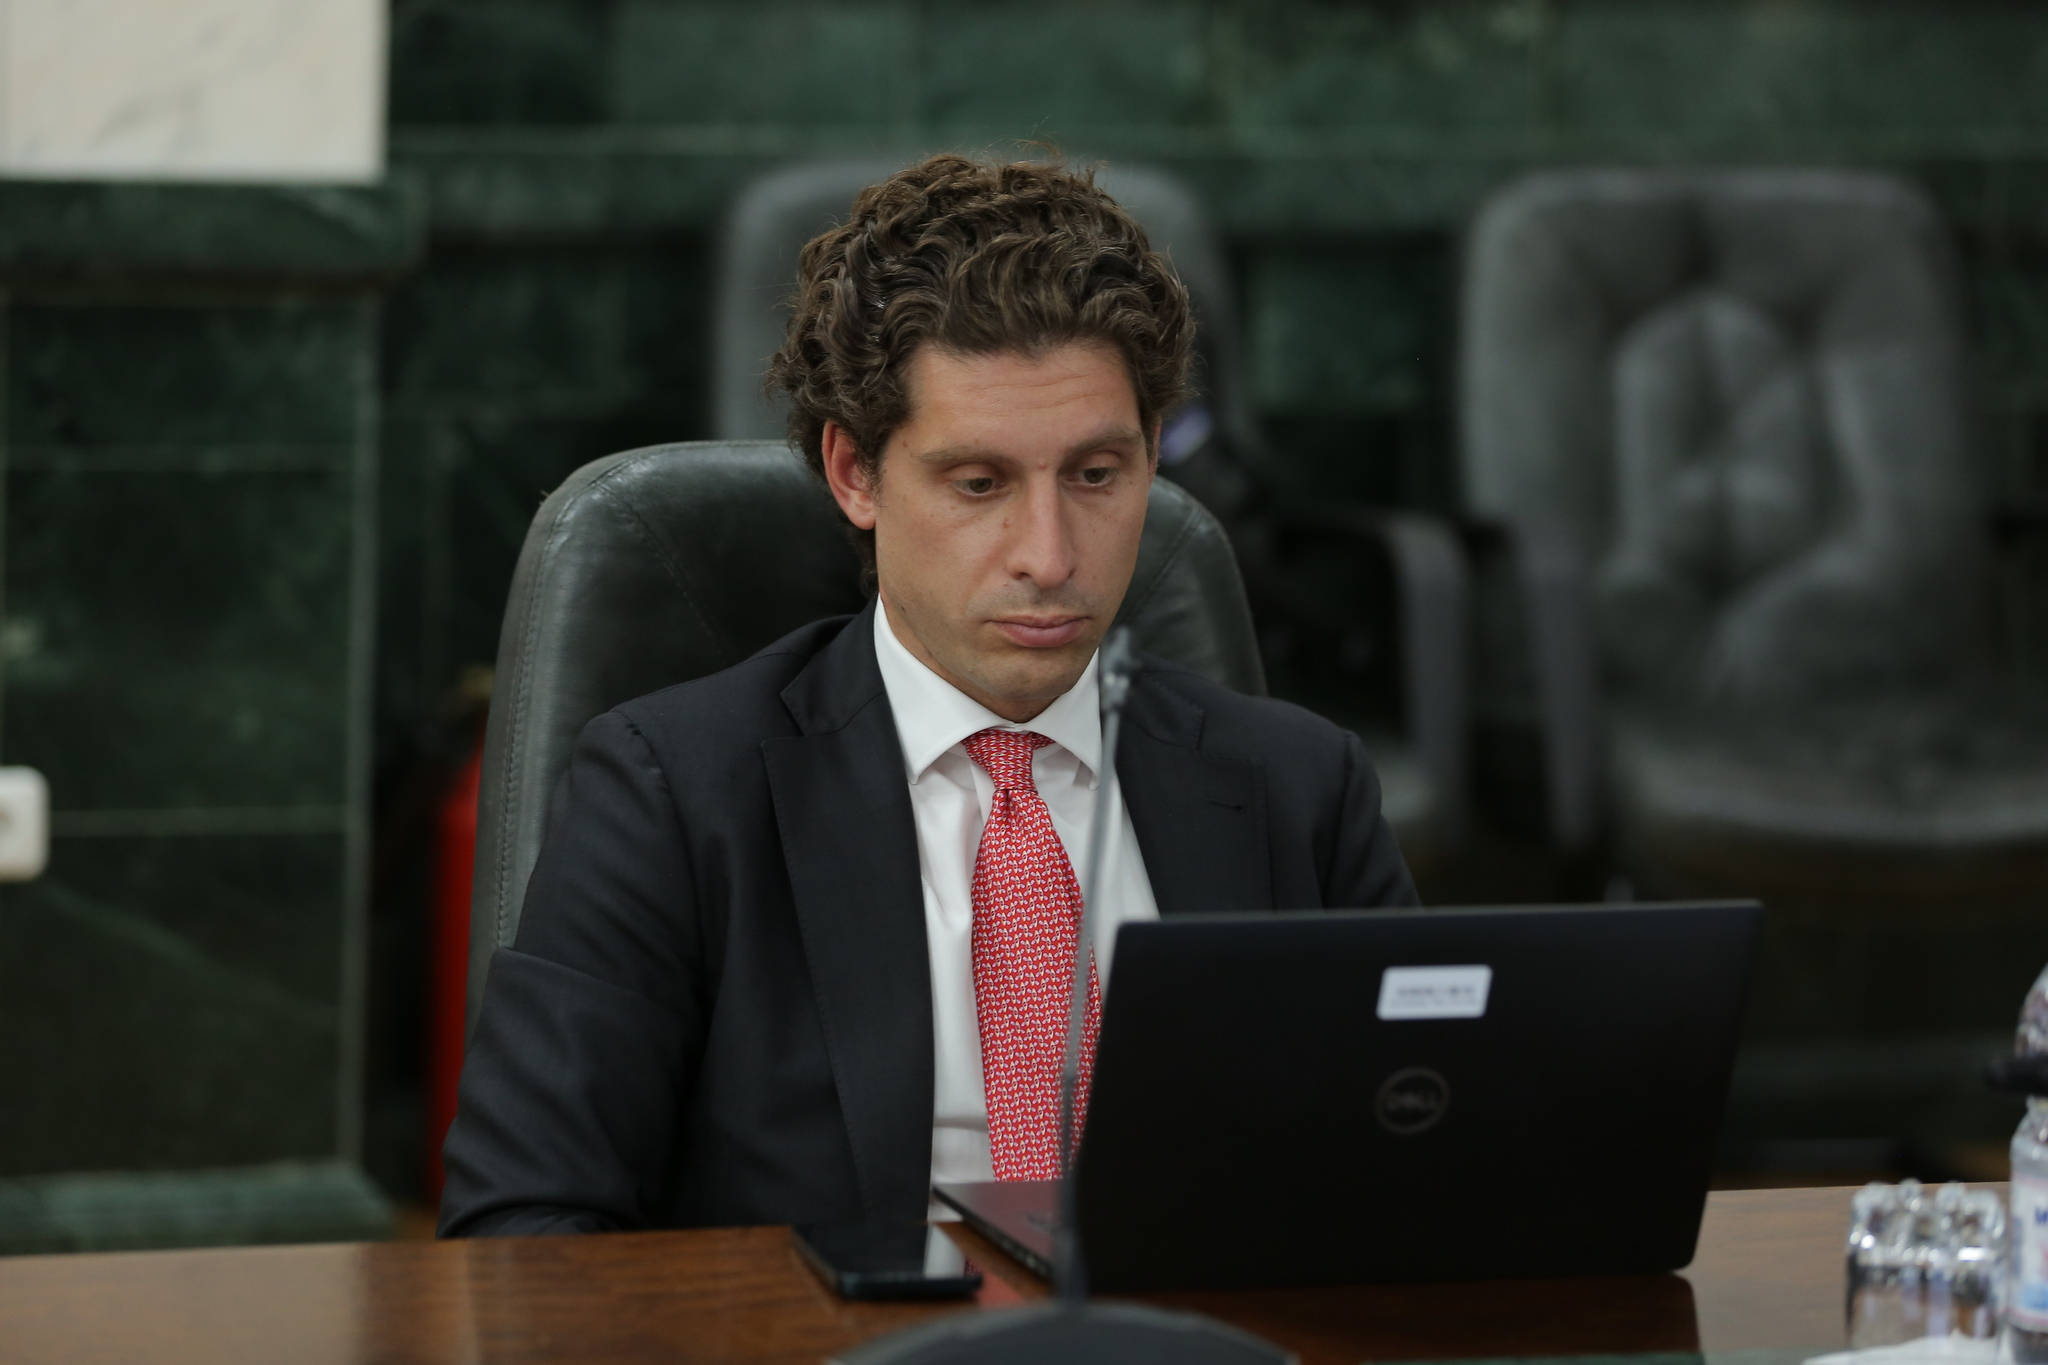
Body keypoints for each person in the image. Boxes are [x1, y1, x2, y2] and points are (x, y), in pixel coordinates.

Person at [439, 153, 1417, 1237]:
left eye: (1096, 475)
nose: (1049, 555)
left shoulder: (1299, 789)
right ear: (855, 473)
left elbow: (1420, 1178)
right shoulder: (673, 795)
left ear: (1151, 456)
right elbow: (524, 1230)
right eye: (978, 484)